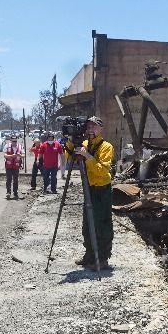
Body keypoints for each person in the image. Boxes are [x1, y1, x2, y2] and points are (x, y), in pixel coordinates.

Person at [63, 116, 115, 270]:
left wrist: (87, 156)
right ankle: (90, 255)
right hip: (89, 188)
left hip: (102, 188)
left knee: (102, 224)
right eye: (88, 127)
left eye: (94, 127)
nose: (90, 130)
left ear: (101, 129)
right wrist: (72, 141)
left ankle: (103, 258)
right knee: (87, 223)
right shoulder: (84, 144)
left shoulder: (106, 146)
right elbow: (70, 158)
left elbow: (102, 170)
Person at [3, 134, 23, 200]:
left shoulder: (20, 146)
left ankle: (15, 193)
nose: (14, 142)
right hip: (8, 166)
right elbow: (5, 155)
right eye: (13, 141)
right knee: (9, 179)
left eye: (15, 141)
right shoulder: (7, 146)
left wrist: (20, 155)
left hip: (16, 166)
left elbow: (23, 155)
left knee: (15, 180)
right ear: (10, 141)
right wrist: (11, 156)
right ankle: (8, 192)